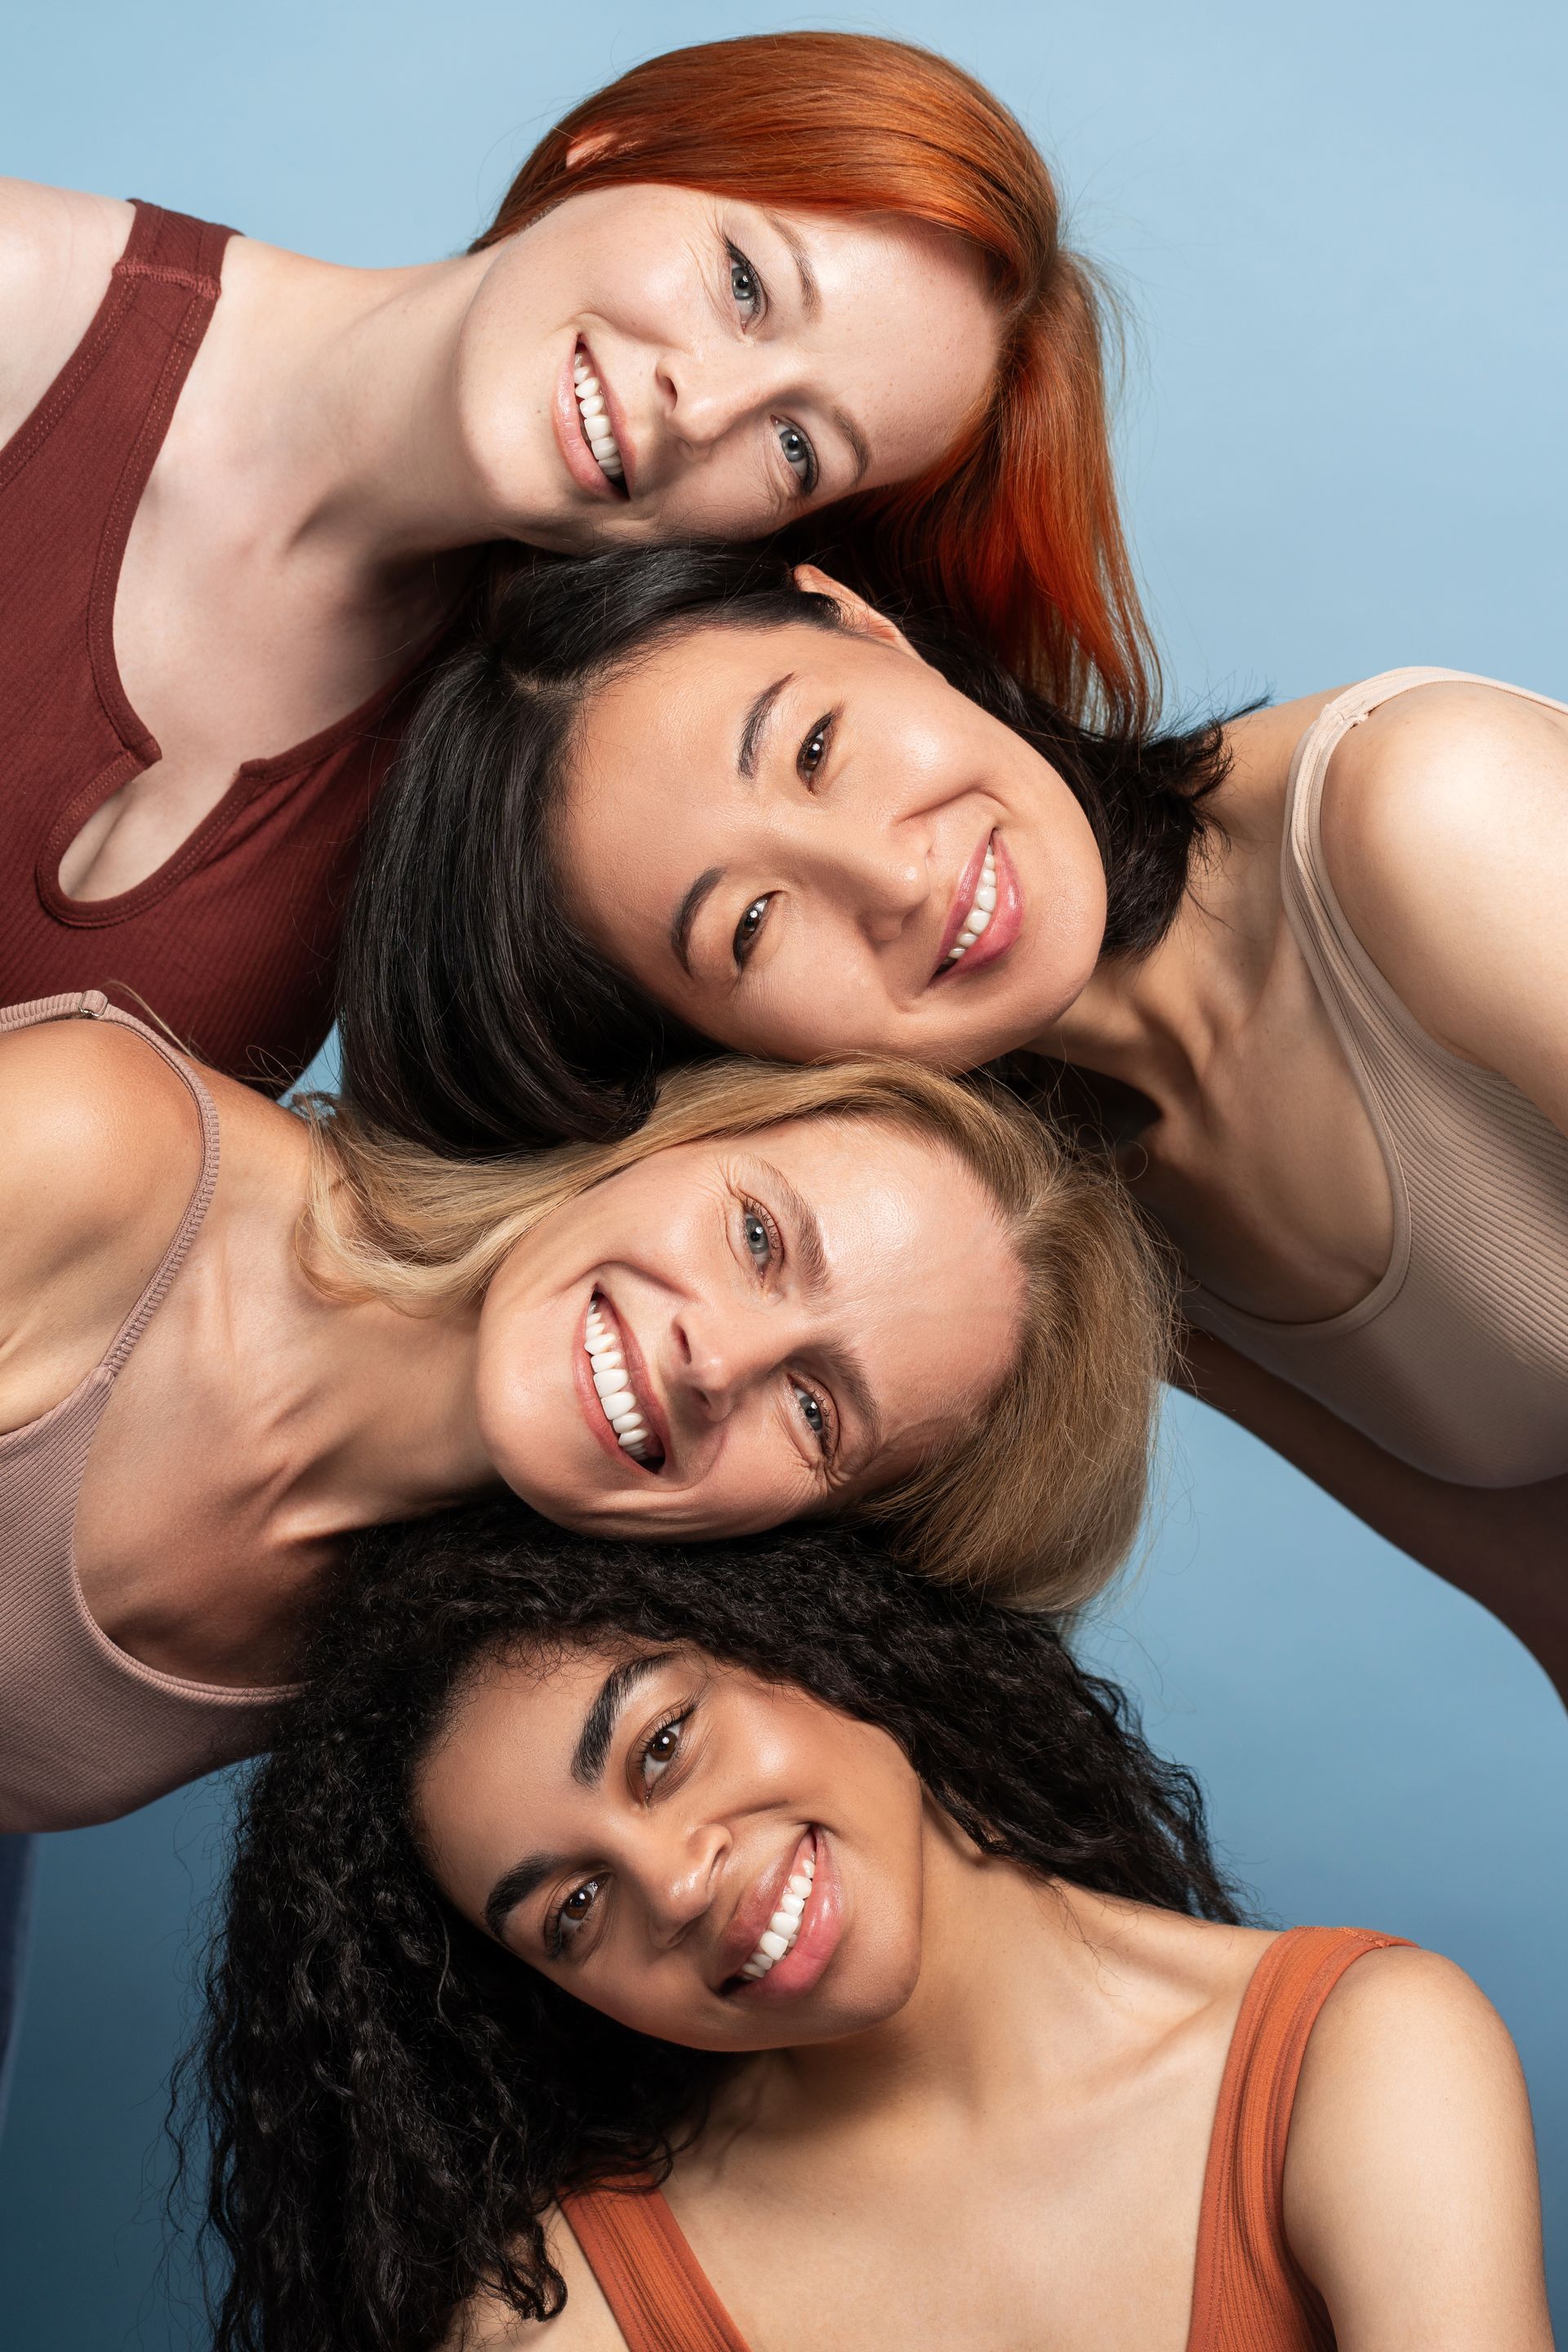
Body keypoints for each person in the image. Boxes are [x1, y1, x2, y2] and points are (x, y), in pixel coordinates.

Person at [338, 547, 1568, 1693]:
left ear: (860, 621)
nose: (897, 879)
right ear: (730, 1063)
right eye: (753, 929)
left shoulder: (1427, 812)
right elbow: (1545, 1589)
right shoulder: (1044, 1226)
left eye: (817, 748)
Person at [0, 30, 1149, 1094]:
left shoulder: (544, 799)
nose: (699, 407)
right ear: (620, 146)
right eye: (745, 285)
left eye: (797, 446)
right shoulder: (27, 304)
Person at [189, 1504, 1554, 2352]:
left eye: (664, 1746)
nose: (677, 1885)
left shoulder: (1358, 2060)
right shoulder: (570, 2314)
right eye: (576, 1908)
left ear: (803, 1632)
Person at [0, 988, 1167, 1834]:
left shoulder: (411, 1658)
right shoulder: (97, 1151)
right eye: (757, 1237)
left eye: (816, 1413)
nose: (716, 1359)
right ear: (666, 1133)